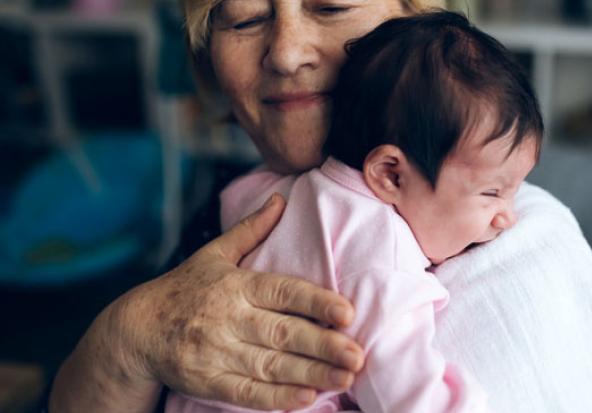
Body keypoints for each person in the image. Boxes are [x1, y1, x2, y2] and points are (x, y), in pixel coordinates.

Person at [48, 0, 592, 412]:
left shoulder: (511, 234)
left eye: (333, 2)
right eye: (241, 18)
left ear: (413, 15)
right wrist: (126, 339)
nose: (286, 52)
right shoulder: (233, 208)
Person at [167, 10, 541, 412]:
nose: (509, 217)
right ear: (390, 176)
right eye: (491, 194)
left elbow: (237, 201)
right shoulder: (382, 255)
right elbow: (406, 393)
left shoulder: (272, 189)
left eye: (331, 7)